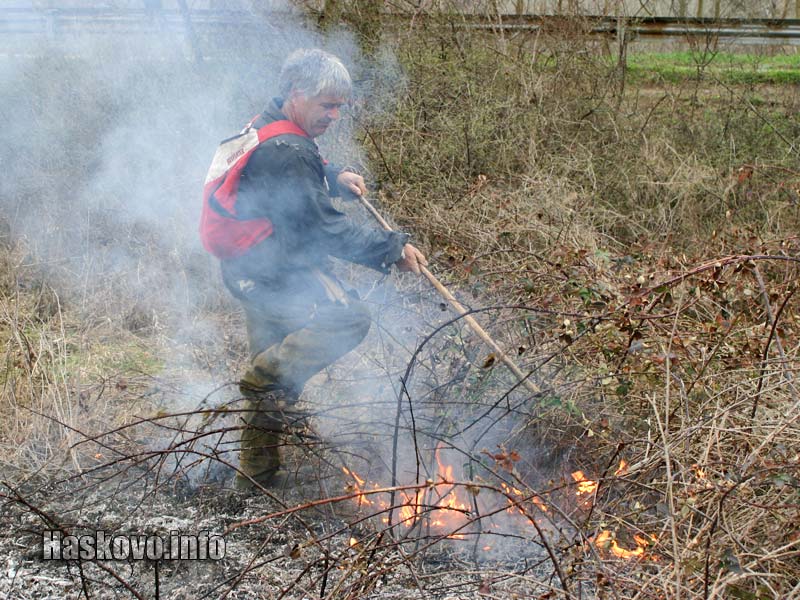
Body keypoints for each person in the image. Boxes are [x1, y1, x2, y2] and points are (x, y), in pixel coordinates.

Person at [200, 48, 427, 490]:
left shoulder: (267, 123)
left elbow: (293, 169)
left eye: (341, 106)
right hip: (275, 271)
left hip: (246, 269)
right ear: (297, 94)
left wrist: (333, 173)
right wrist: (391, 248)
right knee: (348, 319)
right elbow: (323, 230)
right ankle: (262, 380)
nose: (335, 115)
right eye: (328, 105)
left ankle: (256, 480)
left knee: (272, 374)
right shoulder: (288, 151)